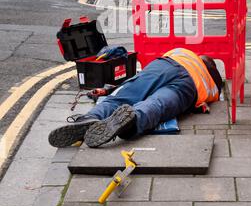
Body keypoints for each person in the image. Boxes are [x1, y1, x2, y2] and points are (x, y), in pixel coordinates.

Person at [48, 49, 222, 149]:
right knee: (156, 105)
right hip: (188, 88)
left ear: (201, 58)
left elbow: (135, 82)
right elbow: (200, 105)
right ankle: (131, 121)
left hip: (164, 66)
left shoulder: (183, 53)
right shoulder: (213, 86)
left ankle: (91, 117)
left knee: (124, 96)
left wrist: (111, 90)